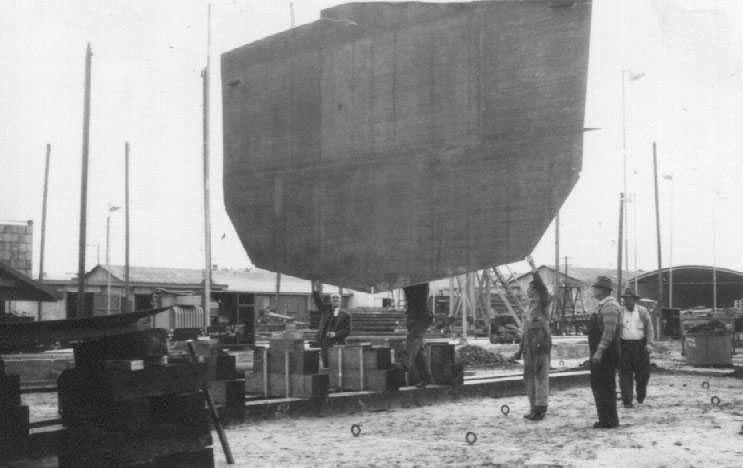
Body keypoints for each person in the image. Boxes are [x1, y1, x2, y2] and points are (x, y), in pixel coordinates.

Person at [512, 255, 551, 421]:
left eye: (529, 289)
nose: (527, 291)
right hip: (529, 347)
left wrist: (533, 267)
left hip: (540, 346)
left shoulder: (542, 303)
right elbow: (526, 331)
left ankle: (540, 408)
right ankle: (533, 407)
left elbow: (542, 288)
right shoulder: (530, 309)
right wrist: (519, 351)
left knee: (540, 377)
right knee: (529, 377)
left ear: (535, 290)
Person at [588, 276, 622, 429]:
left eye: (596, 287)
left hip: (607, 352)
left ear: (603, 290)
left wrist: (599, 351)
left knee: (606, 385)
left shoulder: (610, 306)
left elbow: (609, 332)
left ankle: (610, 420)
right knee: (599, 385)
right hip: (601, 351)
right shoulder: (601, 306)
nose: (593, 290)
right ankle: (604, 419)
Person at [619, 288, 654, 408]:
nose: (626, 301)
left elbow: (649, 328)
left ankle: (640, 395)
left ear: (634, 300)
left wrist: (649, 343)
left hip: (640, 347)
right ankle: (627, 400)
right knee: (625, 374)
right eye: (625, 299)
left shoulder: (642, 311)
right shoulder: (620, 312)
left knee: (643, 375)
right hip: (624, 346)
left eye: (629, 299)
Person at [312, 281, 350, 367]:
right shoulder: (325, 310)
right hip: (325, 342)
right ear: (330, 301)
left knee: (337, 364)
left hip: (338, 342)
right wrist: (315, 291)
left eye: (337, 298)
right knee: (326, 363)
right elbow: (318, 302)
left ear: (340, 301)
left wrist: (335, 334)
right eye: (333, 298)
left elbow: (347, 330)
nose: (335, 300)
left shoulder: (346, 315)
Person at [404, 282, 433, 388]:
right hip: (414, 317)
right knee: (418, 352)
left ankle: (403, 366)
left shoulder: (420, 281)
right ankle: (426, 378)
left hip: (420, 317)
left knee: (413, 341)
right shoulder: (411, 282)